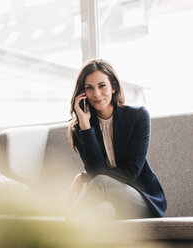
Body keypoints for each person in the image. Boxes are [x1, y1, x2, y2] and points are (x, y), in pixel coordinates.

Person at [67, 58, 167, 220]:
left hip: (141, 199)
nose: (96, 94)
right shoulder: (82, 128)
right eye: (89, 88)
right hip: (107, 197)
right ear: (83, 93)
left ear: (113, 86)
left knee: (99, 184)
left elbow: (131, 172)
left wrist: (83, 177)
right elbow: (96, 171)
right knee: (103, 210)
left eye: (102, 85)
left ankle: (58, 237)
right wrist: (85, 125)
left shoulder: (138, 116)